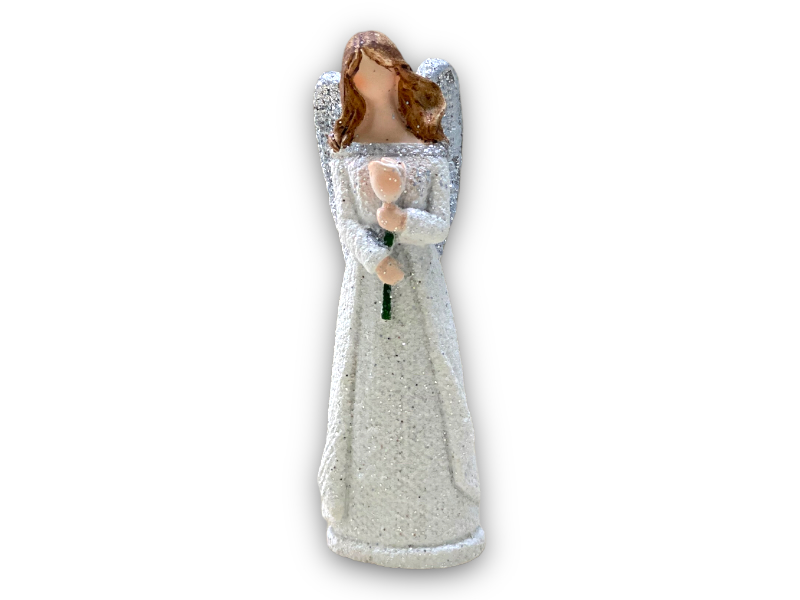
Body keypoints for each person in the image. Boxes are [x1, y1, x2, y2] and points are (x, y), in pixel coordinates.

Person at [318, 31, 484, 569]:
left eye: (379, 67)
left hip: (420, 293)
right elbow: (346, 222)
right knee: (365, 388)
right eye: (358, 72)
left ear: (398, 72)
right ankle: (366, 519)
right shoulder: (347, 151)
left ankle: (440, 515)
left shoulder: (429, 151)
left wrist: (402, 221)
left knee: (432, 382)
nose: (370, 79)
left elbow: (439, 226)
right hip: (369, 296)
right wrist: (374, 256)